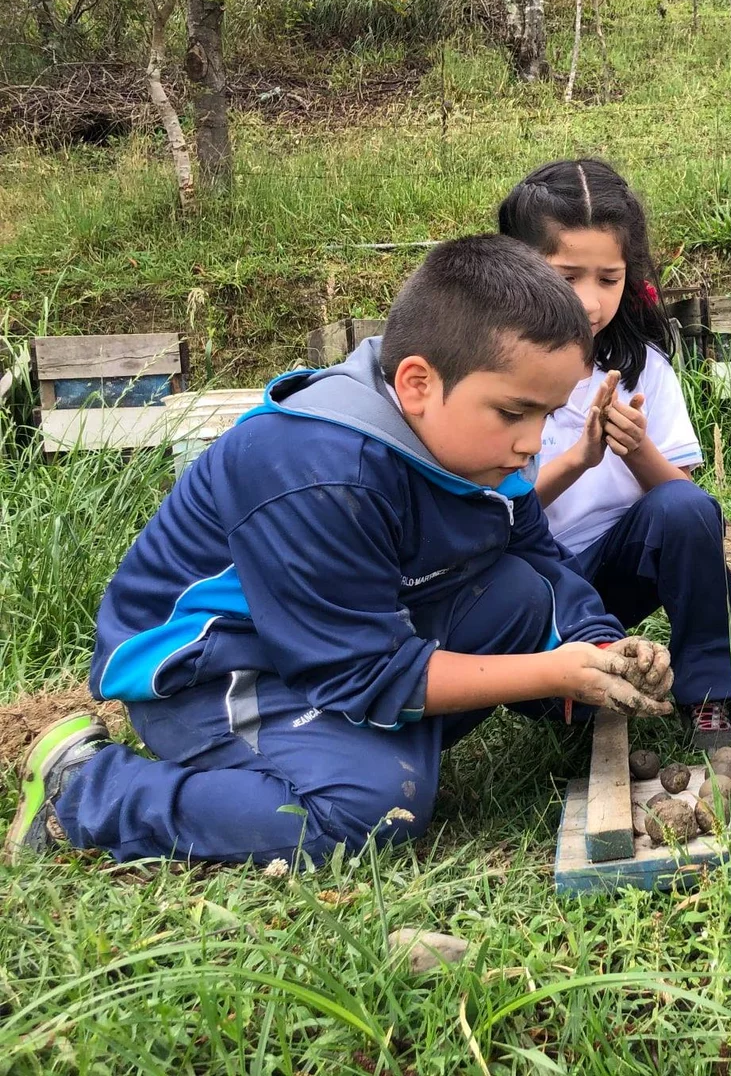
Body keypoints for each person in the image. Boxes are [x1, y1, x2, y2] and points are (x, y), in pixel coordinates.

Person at [5, 236, 675, 867]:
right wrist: (552, 673)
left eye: (547, 416)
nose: (532, 443)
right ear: (417, 384)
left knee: (520, 590)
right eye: (512, 414)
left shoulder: (490, 455)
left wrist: (598, 643)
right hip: (220, 669)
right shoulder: (321, 470)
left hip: (341, 641)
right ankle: (89, 787)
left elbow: (541, 565)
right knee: (372, 811)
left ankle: (358, 743)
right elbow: (362, 671)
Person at [499, 159, 731, 750]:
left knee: (685, 510)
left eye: (607, 279)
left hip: (616, 568)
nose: (589, 302)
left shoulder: (642, 371)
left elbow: (685, 506)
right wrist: (577, 461)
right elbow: (486, 519)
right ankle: (567, 685)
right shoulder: (491, 378)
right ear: (519, 270)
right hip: (531, 583)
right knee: (567, 708)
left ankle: (711, 694)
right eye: (567, 277)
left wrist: (635, 450)